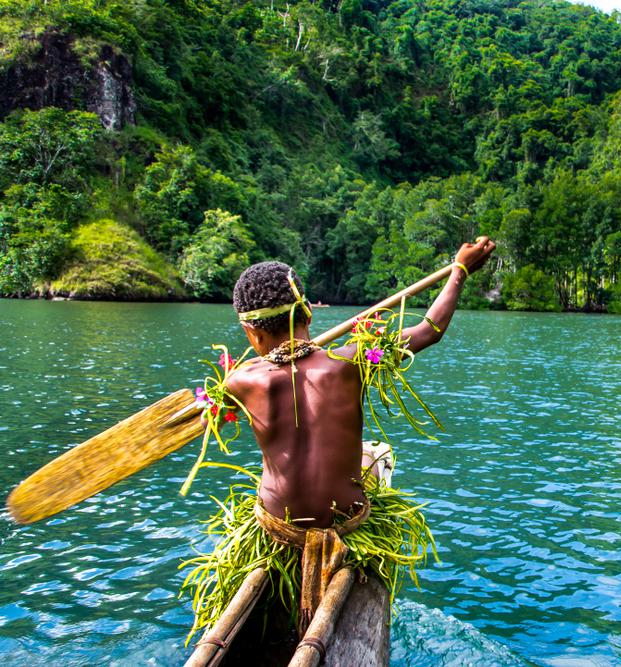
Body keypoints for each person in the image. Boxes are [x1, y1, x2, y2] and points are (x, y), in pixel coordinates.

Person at [181, 237, 496, 641]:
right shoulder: (350, 361)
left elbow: (252, 380)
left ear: (249, 331)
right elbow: (429, 330)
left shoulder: (239, 382)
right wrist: (459, 271)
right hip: (347, 526)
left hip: (278, 529)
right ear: (309, 311)